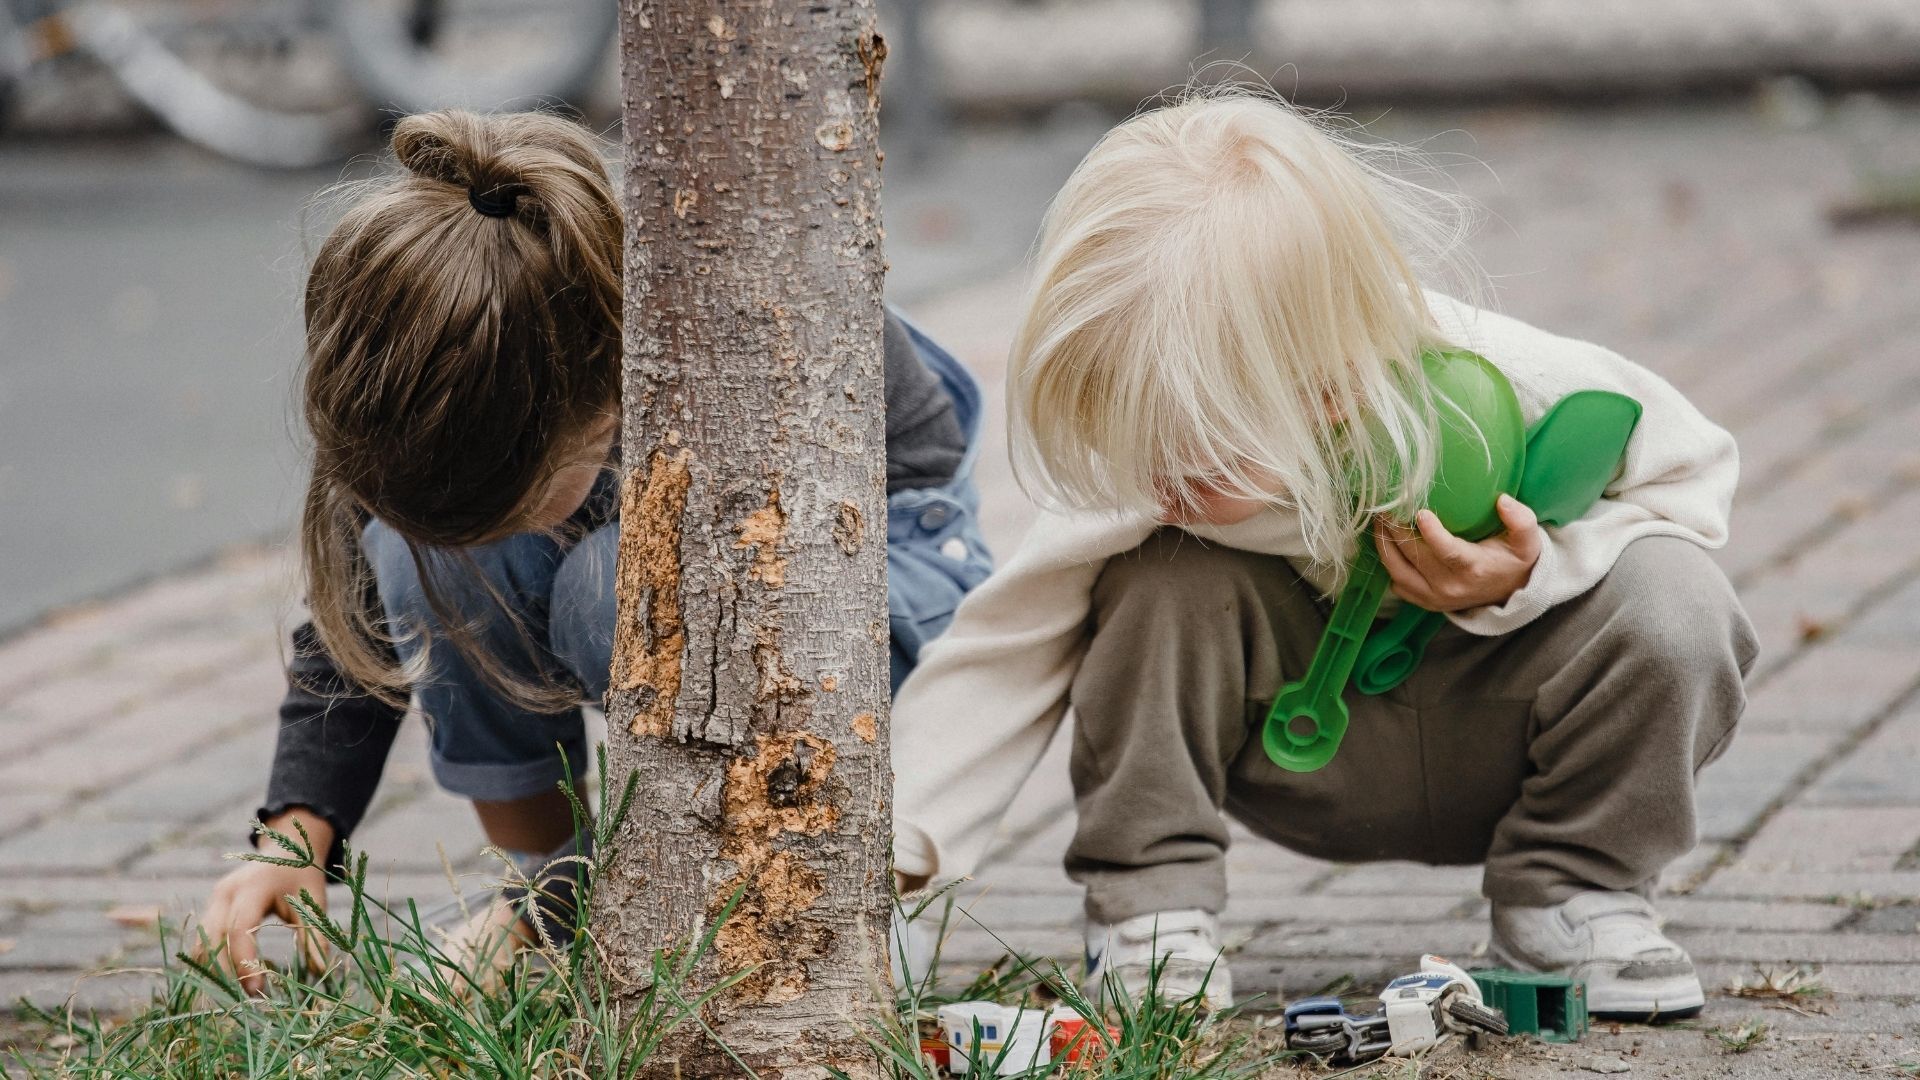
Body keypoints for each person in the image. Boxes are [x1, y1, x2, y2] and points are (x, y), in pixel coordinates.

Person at [889, 90, 1756, 1019]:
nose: (1157, 478)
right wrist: (897, 849)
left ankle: (1574, 895)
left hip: (1505, 732)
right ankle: (1152, 914)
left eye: (1199, 455)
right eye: (1135, 439)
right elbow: (1008, 648)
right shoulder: (1160, 465)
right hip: (1304, 755)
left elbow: (1695, 477)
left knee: (1678, 601)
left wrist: (1535, 573)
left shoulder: (1515, 381)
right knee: (1156, 579)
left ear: (1331, 389)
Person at [195, 109, 991, 991]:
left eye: (512, 507)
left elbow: (894, 534)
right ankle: (552, 890)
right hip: (662, 568)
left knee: (609, 582)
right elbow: (356, 623)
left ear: (602, 413)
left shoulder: (727, 323)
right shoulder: (432, 374)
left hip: (879, 581)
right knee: (429, 560)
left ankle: (804, 897)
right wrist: (295, 830)